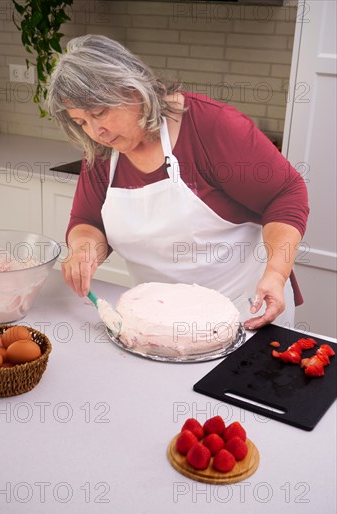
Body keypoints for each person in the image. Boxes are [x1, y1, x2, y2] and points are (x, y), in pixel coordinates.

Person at [47, 34, 309, 330]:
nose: (96, 132)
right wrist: (83, 249)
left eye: (100, 113)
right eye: (81, 122)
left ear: (132, 89)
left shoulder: (211, 127)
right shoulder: (103, 153)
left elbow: (287, 194)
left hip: (247, 311)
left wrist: (276, 273)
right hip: (161, 324)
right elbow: (88, 221)